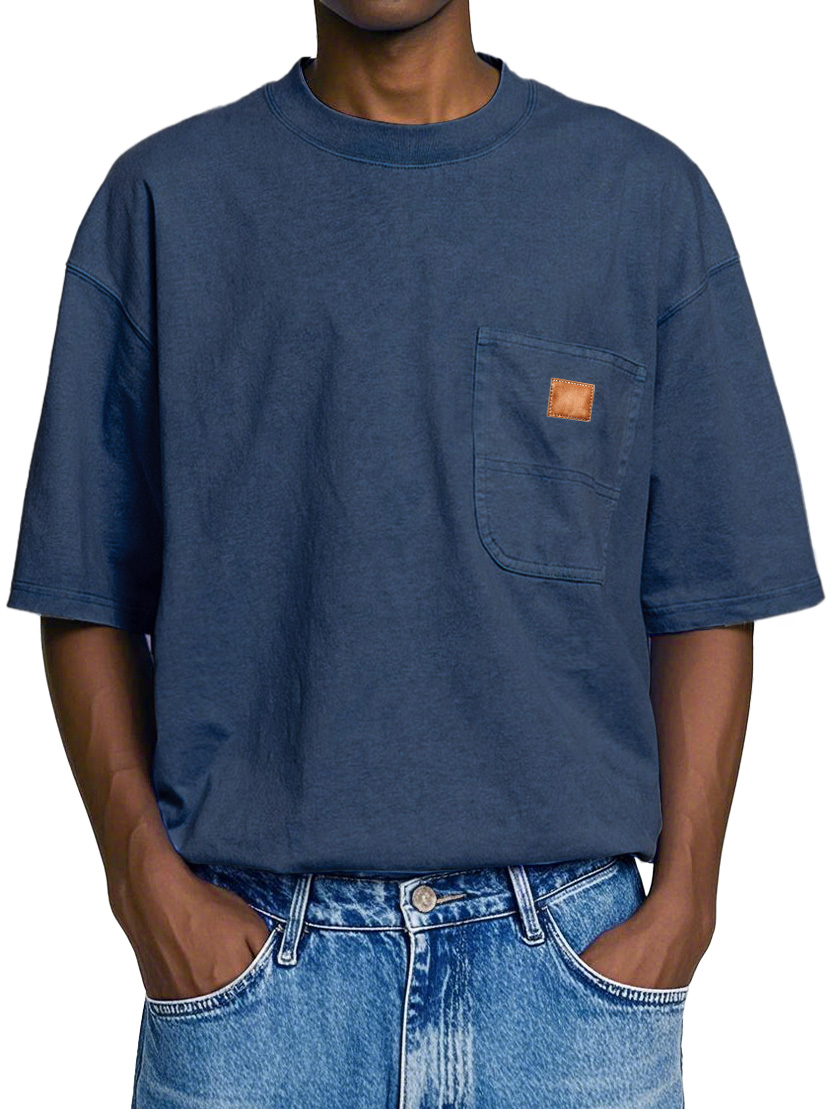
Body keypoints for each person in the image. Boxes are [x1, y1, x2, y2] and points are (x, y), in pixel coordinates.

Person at [6, 2, 824, 1106]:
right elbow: (85, 583)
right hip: (254, 988)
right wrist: (141, 881)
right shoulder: (163, 202)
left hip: (568, 985)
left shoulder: (639, 201)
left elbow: (710, 587)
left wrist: (686, 900)